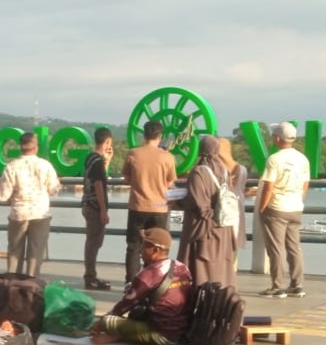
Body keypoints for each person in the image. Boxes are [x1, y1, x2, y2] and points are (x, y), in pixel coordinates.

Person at [91, 228, 193, 345]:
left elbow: (124, 306)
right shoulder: (182, 267)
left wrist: (100, 324)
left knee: (107, 322)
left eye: (144, 246)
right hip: (181, 332)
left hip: (161, 335)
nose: (140, 250)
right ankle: (122, 334)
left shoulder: (149, 274)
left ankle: (119, 335)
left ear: (155, 250)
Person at [257, 122, 310, 299]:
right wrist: (298, 200)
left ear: (278, 139)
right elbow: (305, 183)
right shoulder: (303, 159)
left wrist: (262, 207)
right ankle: (297, 285)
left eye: (274, 135)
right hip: (296, 207)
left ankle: (277, 286)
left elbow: (268, 187)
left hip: (277, 208)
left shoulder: (274, 159)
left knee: (276, 248)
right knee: (294, 247)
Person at [0, 131, 60, 277]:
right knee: (36, 253)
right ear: (36, 147)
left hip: (18, 213)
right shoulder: (45, 165)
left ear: (20, 147)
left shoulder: (11, 166)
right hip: (40, 213)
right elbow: (53, 190)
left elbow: (4, 195)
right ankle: (31, 283)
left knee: (15, 252)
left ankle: (13, 282)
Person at [177, 136, 237, 288]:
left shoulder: (198, 172)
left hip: (202, 227)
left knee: (200, 266)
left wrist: (178, 202)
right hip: (222, 226)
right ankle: (220, 294)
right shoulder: (225, 172)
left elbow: (197, 202)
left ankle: (199, 294)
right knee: (219, 264)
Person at [122, 120, 176, 286]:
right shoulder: (167, 157)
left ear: (144, 135)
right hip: (159, 208)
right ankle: (153, 283)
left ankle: (131, 283)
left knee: (134, 247)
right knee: (158, 247)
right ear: (160, 136)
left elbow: (126, 177)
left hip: (137, 206)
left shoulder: (133, 154)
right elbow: (170, 182)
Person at [81, 127, 114, 290]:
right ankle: (90, 276)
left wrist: (108, 160)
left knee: (92, 241)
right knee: (94, 242)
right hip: (95, 206)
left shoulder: (91, 158)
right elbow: (99, 184)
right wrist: (103, 210)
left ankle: (90, 274)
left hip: (87, 203)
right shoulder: (98, 161)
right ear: (107, 141)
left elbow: (100, 176)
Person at [217, 137, 249, 268]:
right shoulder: (242, 169)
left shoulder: (216, 169)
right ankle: (231, 272)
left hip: (221, 212)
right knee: (233, 245)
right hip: (237, 210)